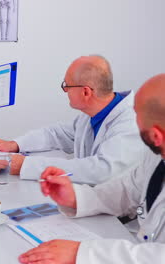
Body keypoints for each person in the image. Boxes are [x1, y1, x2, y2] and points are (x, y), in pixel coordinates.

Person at [19, 73, 165, 264]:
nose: (133, 121)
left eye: (136, 114)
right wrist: (77, 197)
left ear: (156, 136)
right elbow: (127, 190)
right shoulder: (156, 156)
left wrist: (83, 253)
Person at [0, 55, 143, 184]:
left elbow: (101, 170)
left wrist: (26, 165)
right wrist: (15, 145)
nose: (65, 90)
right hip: (91, 202)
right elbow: (55, 134)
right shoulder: (91, 116)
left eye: (67, 85)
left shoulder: (130, 123)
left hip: (119, 219)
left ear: (86, 92)